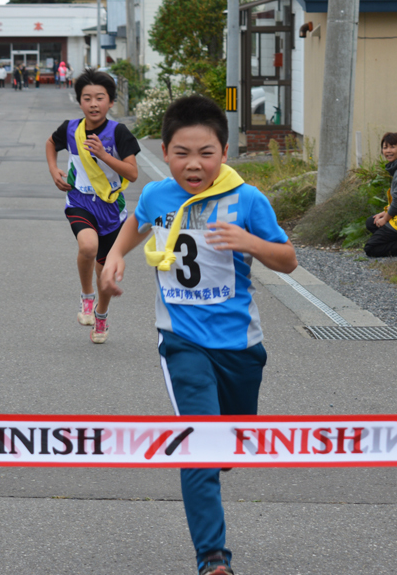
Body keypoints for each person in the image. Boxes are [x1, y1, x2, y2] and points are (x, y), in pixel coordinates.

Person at [100, 95, 297, 575]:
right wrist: (116, 255)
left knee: (228, 443)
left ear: (224, 153)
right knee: (199, 446)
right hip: (182, 341)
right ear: (164, 152)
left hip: (240, 346)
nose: (194, 164)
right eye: (182, 153)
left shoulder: (247, 199)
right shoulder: (157, 194)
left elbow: (287, 258)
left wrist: (249, 241)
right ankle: (213, 559)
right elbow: (137, 223)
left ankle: (221, 453)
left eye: (206, 153)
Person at [46, 68, 141, 343]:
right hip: (79, 201)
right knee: (87, 246)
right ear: (80, 102)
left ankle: (101, 315)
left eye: (100, 98)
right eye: (87, 98)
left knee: (105, 271)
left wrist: (103, 154)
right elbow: (51, 144)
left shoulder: (119, 133)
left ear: (111, 102)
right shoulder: (71, 129)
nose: (93, 104)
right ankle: (86, 296)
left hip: (111, 209)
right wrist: (53, 170)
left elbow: (132, 173)